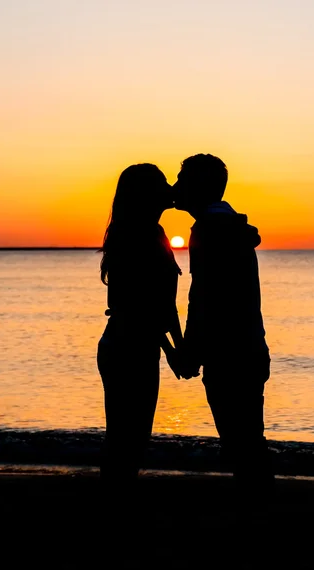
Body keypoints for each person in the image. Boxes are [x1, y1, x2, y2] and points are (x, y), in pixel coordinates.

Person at [172, 153, 274, 501]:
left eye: (182, 181)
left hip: (230, 353)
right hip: (247, 348)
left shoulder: (210, 231)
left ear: (198, 188)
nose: (176, 187)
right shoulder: (227, 226)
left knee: (241, 446)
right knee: (246, 442)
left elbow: (205, 298)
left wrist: (190, 351)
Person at [97, 163, 183, 491]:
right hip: (127, 344)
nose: (168, 188)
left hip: (137, 344)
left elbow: (164, 304)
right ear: (147, 194)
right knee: (126, 439)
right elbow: (135, 306)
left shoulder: (152, 233)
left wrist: (178, 345)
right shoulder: (136, 236)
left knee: (132, 438)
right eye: (161, 183)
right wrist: (173, 349)